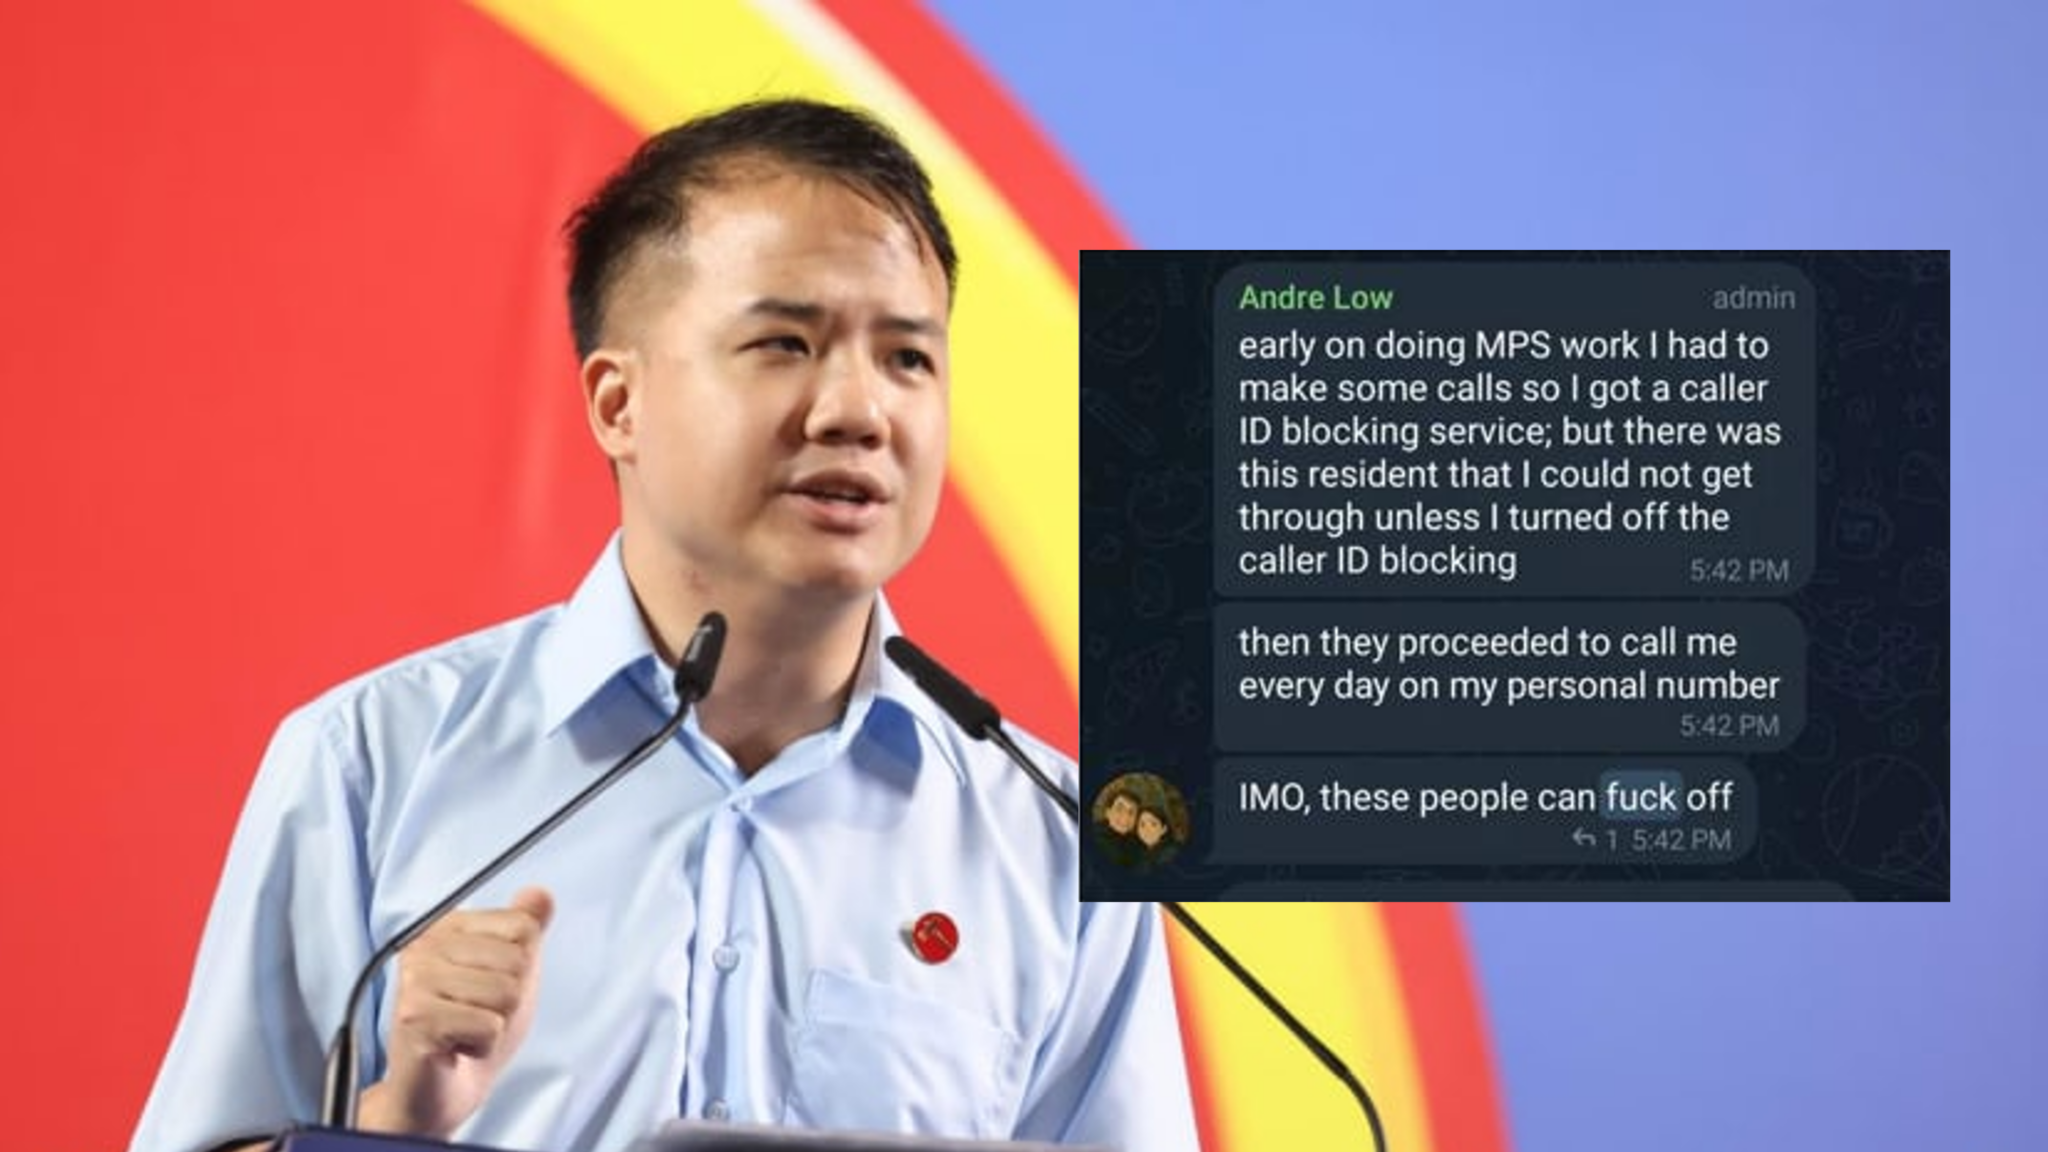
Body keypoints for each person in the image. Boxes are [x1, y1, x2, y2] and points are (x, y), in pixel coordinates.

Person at [130, 99, 1196, 1152]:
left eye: (907, 358)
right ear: (615, 405)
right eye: (785, 342)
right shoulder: (372, 767)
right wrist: (391, 1129)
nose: (858, 411)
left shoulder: (1054, 839)